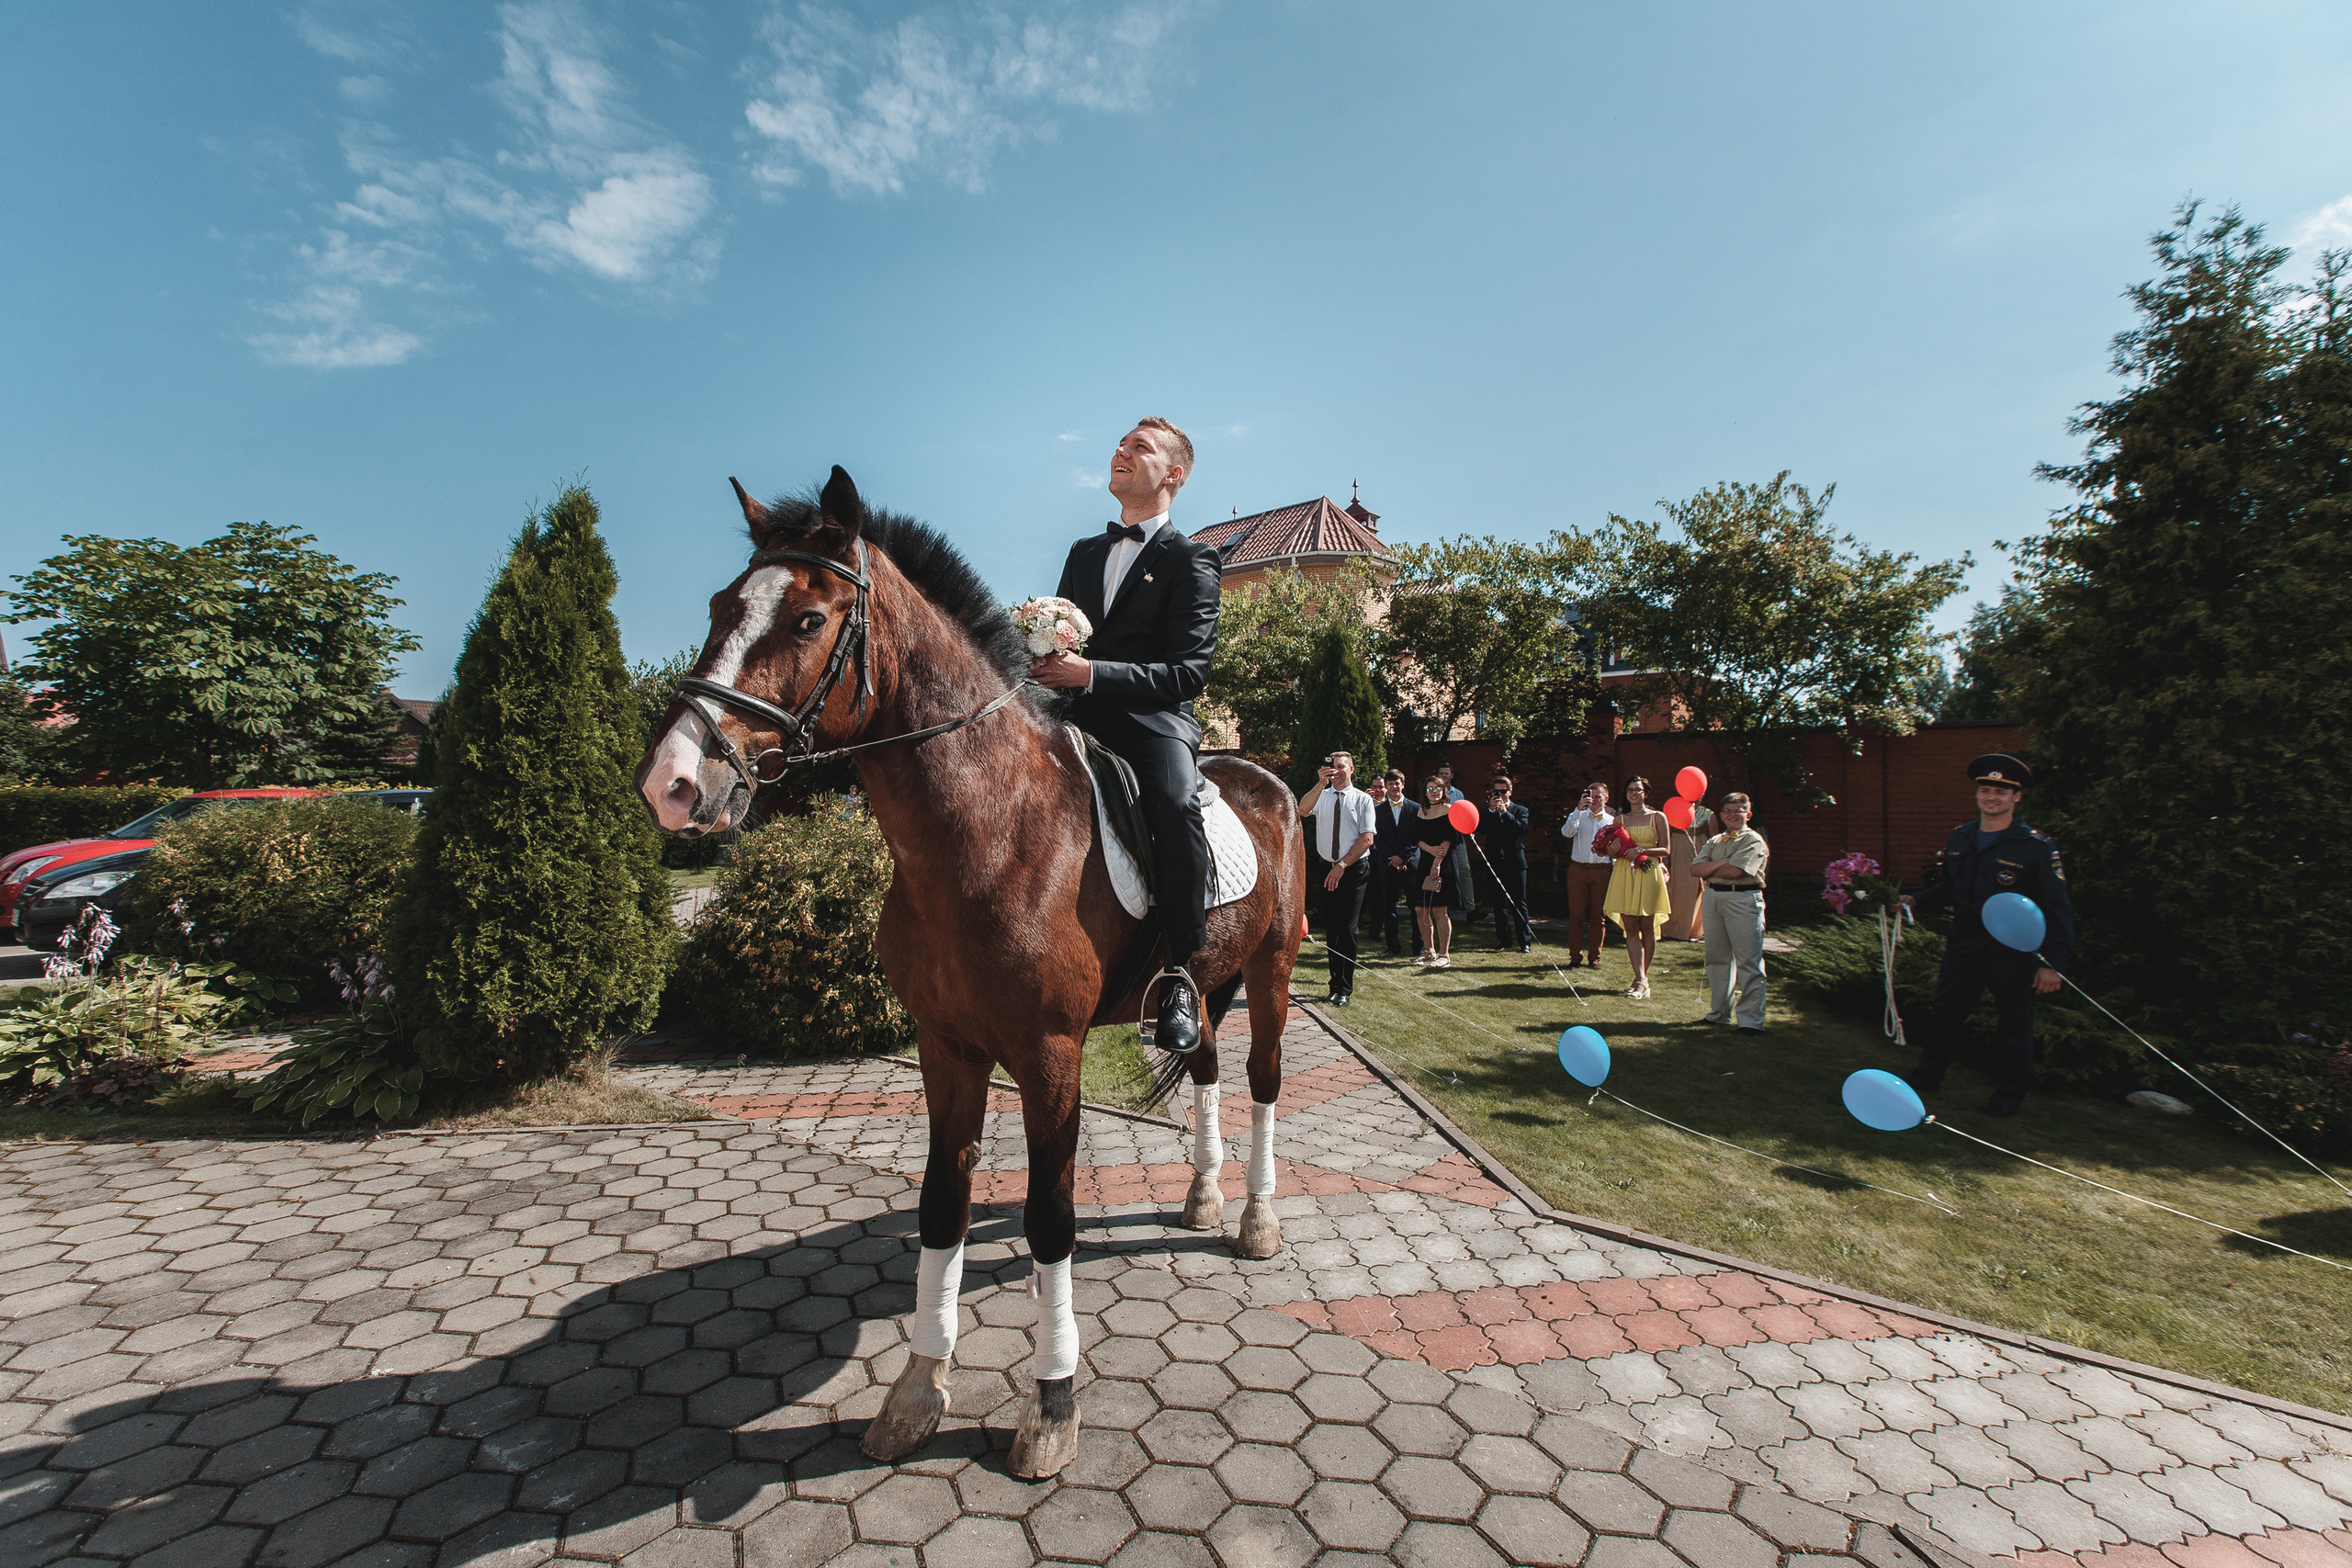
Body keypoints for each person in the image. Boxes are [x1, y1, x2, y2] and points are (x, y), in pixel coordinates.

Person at [1033, 418, 1222, 1054]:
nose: (1121, 450)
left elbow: (1188, 671)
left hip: (1152, 723)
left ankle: (1179, 974)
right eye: (1120, 442)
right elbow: (1061, 641)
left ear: (1173, 474)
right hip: (1075, 719)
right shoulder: (1084, 553)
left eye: (1139, 446)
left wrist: (1092, 672)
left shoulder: (1193, 559)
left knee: (1173, 804)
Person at [1900, 754, 2075, 1116]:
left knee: (2013, 1024)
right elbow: (1949, 888)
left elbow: (2058, 908)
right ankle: (1927, 1076)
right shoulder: (1961, 836)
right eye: (1985, 790)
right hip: (1964, 943)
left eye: (2000, 791)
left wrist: (2053, 965)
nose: (1990, 797)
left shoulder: (2036, 846)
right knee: (1946, 1013)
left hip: (2011, 950)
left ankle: (2007, 1099)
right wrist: (1913, 900)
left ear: (2016, 798)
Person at [1299, 750, 1377, 1005]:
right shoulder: (1322, 795)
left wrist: (1342, 866)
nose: (1337, 771)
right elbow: (1302, 809)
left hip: (1353, 870)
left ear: (1352, 769)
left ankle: (1345, 988)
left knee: (1347, 927)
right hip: (1327, 868)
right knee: (1332, 927)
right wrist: (1320, 784)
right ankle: (1333, 985)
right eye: (1333, 767)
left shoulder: (1362, 799)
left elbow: (1367, 839)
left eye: (1342, 767)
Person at [1690, 793, 1769, 1034]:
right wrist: (1723, 862)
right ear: (1722, 814)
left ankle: (1750, 1021)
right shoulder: (1715, 841)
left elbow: (1736, 872)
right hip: (1713, 898)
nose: (1733, 815)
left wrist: (1713, 867)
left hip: (1742, 899)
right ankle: (1719, 1013)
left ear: (1748, 814)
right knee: (1716, 958)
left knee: (1748, 961)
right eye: (1728, 811)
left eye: (1739, 810)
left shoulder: (1753, 840)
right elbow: (1695, 869)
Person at [1601, 776, 1670, 998]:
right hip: (1624, 874)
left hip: (1648, 873)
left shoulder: (1657, 817)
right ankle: (1640, 978)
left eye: (1638, 790)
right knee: (1630, 928)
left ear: (1646, 793)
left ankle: (1642, 979)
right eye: (1630, 789)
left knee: (1646, 926)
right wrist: (1611, 850)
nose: (1634, 793)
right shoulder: (1619, 819)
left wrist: (1642, 850)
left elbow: (1666, 850)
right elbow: (1613, 851)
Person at [1558, 782, 1615, 969]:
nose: (1594, 800)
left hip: (1602, 870)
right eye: (1590, 796)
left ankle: (1594, 958)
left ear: (1606, 799)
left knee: (1598, 916)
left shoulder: (1612, 821)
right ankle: (1575, 957)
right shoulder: (1578, 816)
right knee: (1576, 915)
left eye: (1598, 797)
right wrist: (1577, 810)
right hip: (1578, 870)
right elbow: (1566, 833)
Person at [1408, 774, 1461, 968]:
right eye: (1430, 789)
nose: (1434, 792)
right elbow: (1416, 837)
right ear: (1425, 792)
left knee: (1440, 910)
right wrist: (1428, 850)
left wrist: (1436, 863)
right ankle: (1428, 951)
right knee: (1420, 909)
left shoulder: (1448, 810)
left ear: (1443, 791)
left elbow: (1449, 839)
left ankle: (1444, 955)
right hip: (1425, 860)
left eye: (1437, 789)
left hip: (1443, 862)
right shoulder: (1422, 812)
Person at [1479, 776, 1532, 952]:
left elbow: (1521, 829)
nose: (1500, 795)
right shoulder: (1487, 811)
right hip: (1495, 862)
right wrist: (1492, 811)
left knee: (1519, 903)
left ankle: (1524, 941)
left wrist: (1505, 813)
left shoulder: (1520, 810)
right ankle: (1504, 940)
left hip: (1515, 863)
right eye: (1496, 792)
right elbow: (1480, 829)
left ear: (1510, 792)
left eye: (1503, 791)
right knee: (1498, 904)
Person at [1372, 770, 1416, 956]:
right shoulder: (1378, 811)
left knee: (1416, 907)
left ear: (1403, 784)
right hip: (1387, 864)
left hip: (1410, 864)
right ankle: (1393, 946)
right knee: (1389, 907)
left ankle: (1419, 947)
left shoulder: (1415, 808)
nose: (1393, 787)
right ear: (1386, 787)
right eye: (1390, 784)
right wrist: (1392, 859)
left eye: (1397, 783)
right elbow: (1376, 837)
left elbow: (1416, 837)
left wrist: (1403, 857)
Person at [1436, 762, 1476, 919]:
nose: (1444, 776)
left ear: (1451, 775)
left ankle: (1470, 908)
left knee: (1464, 871)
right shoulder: (1432, 792)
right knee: (1441, 872)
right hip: (1438, 840)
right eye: (1441, 773)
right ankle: (1444, 905)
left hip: (1457, 839)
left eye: (1447, 773)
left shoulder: (1458, 794)